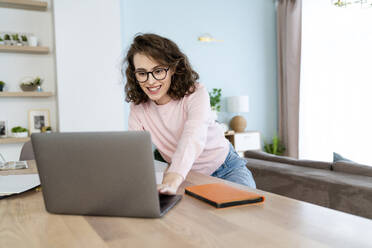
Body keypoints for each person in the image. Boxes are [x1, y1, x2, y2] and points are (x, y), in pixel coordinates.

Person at [123, 33, 256, 195]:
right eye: (142, 73)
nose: (150, 81)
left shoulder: (195, 93)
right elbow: (135, 151)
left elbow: (193, 136)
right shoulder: (138, 108)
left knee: (243, 214)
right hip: (188, 176)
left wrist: (173, 176)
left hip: (225, 169)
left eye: (158, 71)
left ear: (172, 68)